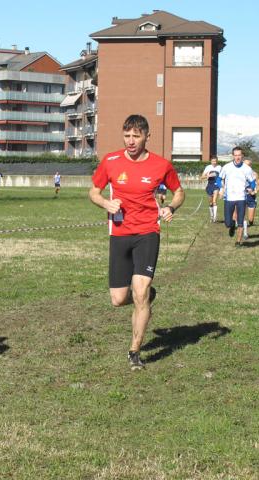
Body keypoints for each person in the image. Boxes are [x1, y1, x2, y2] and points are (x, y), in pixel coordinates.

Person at [89, 114, 184, 370]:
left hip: (147, 233)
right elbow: (93, 192)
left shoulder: (161, 165)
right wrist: (105, 203)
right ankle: (147, 296)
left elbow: (179, 192)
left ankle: (134, 352)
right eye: (127, 135)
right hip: (119, 234)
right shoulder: (110, 161)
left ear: (146, 137)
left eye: (136, 136)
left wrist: (171, 208)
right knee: (119, 299)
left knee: (139, 293)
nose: (131, 141)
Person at [219, 146, 255, 247]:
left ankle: (238, 242)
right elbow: (219, 179)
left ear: (242, 156)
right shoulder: (227, 167)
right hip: (229, 198)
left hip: (241, 198)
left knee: (241, 221)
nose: (237, 157)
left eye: (239, 155)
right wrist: (221, 189)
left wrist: (251, 188)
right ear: (233, 156)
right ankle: (231, 225)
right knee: (227, 223)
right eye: (235, 155)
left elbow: (252, 182)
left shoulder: (247, 169)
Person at [242, 158, 259, 239]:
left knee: (250, 219)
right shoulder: (239, 173)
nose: (246, 166)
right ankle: (245, 233)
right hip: (242, 196)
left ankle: (249, 223)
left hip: (251, 197)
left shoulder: (254, 174)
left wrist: (255, 191)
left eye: (248, 165)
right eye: (245, 165)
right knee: (242, 215)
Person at [200, 155, 222, 222]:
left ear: (217, 161)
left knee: (214, 201)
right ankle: (211, 216)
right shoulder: (208, 167)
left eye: (215, 161)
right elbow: (202, 177)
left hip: (216, 185)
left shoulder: (220, 167)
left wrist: (221, 186)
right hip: (209, 185)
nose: (214, 162)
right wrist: (208, 175)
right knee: (210, 202)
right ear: (211, 161)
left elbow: (222, 177)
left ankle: (215, 217)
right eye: (213, 161)